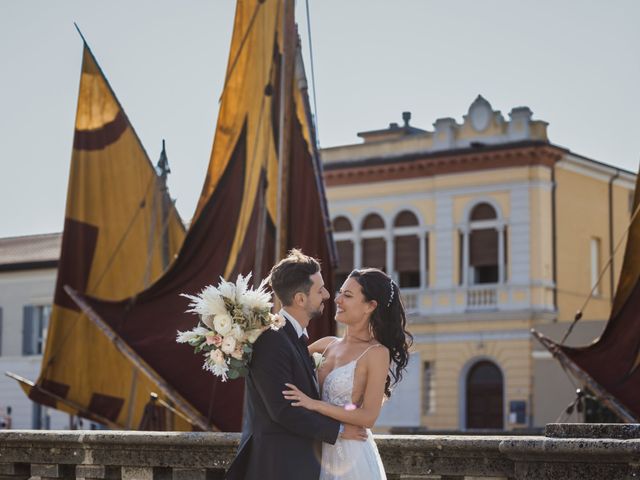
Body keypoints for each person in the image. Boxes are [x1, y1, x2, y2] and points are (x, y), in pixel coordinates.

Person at [225, 249, 367, 480]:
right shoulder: (272, 339)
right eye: (319, 289)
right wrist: (340, 431)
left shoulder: (292, 337)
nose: (328, 295)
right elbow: (283, 410)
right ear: (300, 299)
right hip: (277, 467)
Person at [283, 268, 412, 480]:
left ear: (370, 306)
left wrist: (315, 404)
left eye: (348, 295)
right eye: (340, 292)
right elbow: (282, 365)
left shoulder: (377, 353)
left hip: (350, 454)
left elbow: (368, 416)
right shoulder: (324, 345)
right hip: (311, 447)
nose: (337, 299)